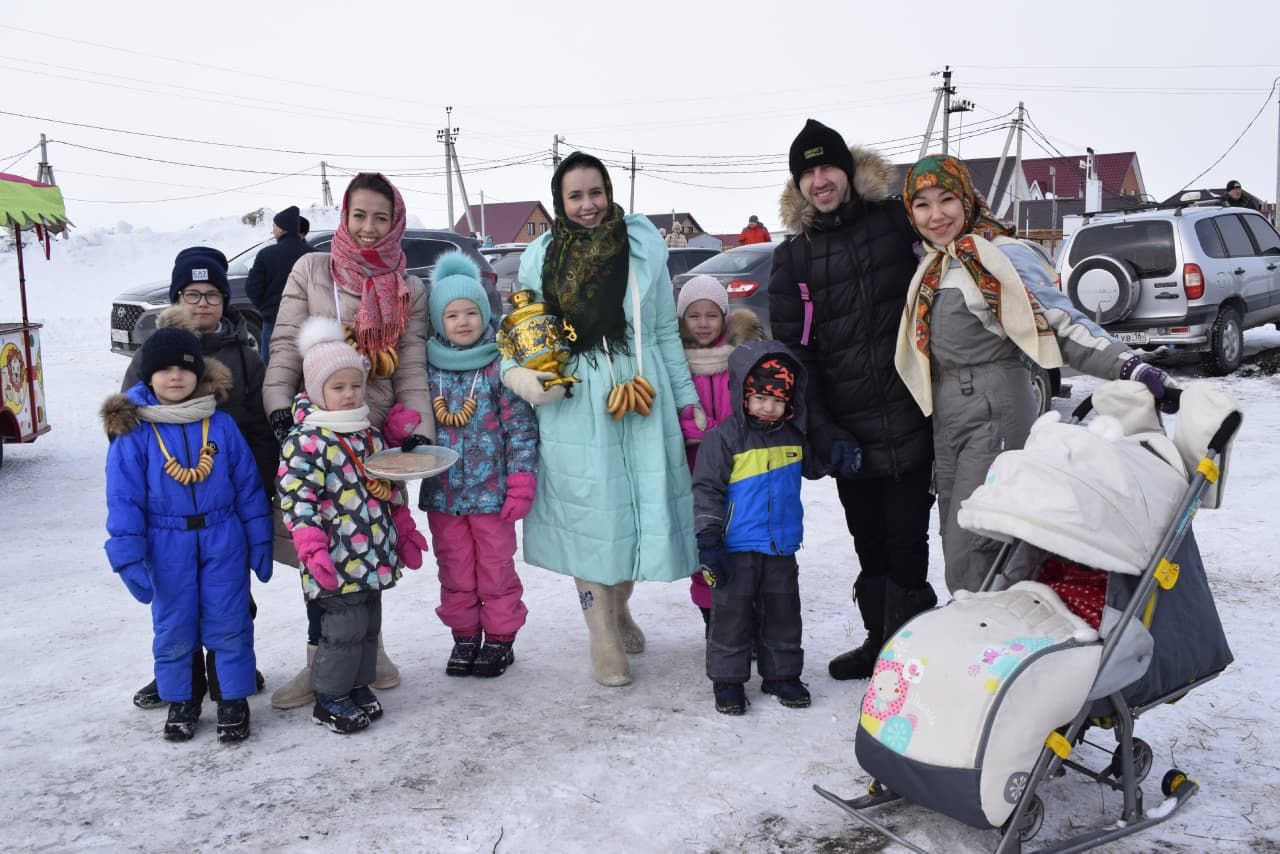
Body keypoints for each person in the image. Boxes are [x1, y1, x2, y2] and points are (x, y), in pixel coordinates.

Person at [896, 154, 1177, 594]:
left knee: (981, 546)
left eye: (947, 199)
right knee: (958, 542)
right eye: (923, 204)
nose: (937, 215)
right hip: (949, 414)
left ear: (968, 198)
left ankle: (998, 644)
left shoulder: (999, 254)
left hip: (994, 408)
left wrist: (1128, 364)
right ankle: (986, 642)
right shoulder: (935, 264)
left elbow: (1061, 323)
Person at [504, 151, 703, 687]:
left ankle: (620, 608)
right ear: (560, 202)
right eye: (575, 196)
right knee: (592, 516)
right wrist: (525, 375)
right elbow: (526, 332)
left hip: (642, 392)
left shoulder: (642, 248)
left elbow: (662, 329)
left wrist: (687, 399)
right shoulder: (539, 257)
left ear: (609, 193)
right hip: (574, 399)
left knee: (636, 513)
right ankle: (601, 632)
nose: (588, 205)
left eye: (596, 193)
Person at [768, 118, 937, 683]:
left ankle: (912, 654)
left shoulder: (896, 222)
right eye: (808, 172)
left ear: (847, 170)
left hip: (914, 415)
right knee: (870, 547)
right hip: (850, 432)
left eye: (828, 167)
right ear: (799, 185)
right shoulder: (793, 259)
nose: (820, 180)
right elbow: (795, 355)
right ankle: (878, 643)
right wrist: (824, 430)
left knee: (909, 545)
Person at [263, 172, 434, 710]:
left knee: (372, 540)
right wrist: (277, 411)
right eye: (359, 214)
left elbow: (409, 367)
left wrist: (420, 428)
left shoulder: (410, 287)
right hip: (314, 434)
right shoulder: (312, 269)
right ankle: (321, 660)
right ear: (344, 214)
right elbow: (287, 345)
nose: (368, 227)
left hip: (375, 440)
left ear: (395, 221)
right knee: (317, 545)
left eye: (380, 217)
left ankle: (368, 651)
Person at [121, 246, 277, 711]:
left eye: (213, 294)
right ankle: (182, 676)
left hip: (224, 503)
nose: (203, 303)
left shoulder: (244, 355)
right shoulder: (154, 350)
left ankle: (229, 670)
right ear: (177, 297)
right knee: (175, 599)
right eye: (192, 293)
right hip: (169, 509)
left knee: (229, 595)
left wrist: (260, 485)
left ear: (225, 300)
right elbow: (128, 423)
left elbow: (259, 426)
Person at [102, 327, 274, 742]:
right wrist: (127, 554)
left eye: (184, 368)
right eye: (164, 369)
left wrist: (259, 537)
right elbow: (123, 498)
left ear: (200, 373)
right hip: (166, 544)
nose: (175, 376)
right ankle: (182, 697)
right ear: (148, 375)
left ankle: (232, 697)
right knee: (174, 624)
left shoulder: (221, 424)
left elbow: (247, 485)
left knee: (229, 618)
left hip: (223, 539)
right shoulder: (134, 432)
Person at [277, 318, 427, 733]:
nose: (348, 395)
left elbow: (389, 487)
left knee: (367, 627)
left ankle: (357, 685)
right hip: (334, 556)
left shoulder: (368, 435)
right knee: (341, 630)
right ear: (316, 391)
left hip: (372, 555)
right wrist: (310, 547)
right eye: (337, 388)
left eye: (355, 386)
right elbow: (297, 497)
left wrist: (404, 529)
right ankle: (329, 696)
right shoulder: (306, 440)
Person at [418, 253, 537, 678]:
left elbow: (520, 429)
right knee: (453, 567)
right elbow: (414, 417)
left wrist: (521, 482)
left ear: (485, 314)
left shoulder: (496, 366)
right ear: (438, 320)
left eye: (471, 312)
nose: (463, 321)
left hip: (492, 495)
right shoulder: (428, 368)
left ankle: (501, 638)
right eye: (452, 315)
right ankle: (465, 635)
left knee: (495, 566)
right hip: (444, 494)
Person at [694, 343, 810, 715]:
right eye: (759, 397)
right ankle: (728, 680)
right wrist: (709, 537)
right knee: (732, 614)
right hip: (737, 545)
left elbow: (817, 464)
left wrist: (837, 451)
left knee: (784, 611)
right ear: (743, 393)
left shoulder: (793, 435)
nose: (767, 407)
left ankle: (782, 673)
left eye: (777, 400)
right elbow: (707, 488)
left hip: (780, 546)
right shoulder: (724, 437)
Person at [677, 274, 764, 629]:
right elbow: (676, 416)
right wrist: (695, 429)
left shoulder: (741, 359)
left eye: (711, 315)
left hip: (741, 472)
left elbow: (748, 414)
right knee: (705, 548)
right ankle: (714, 619)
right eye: (693, 315)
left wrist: (708, 430)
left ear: (725, 317)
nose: (702, 323)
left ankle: (750, 617)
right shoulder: (677, 364)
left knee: (744, 547)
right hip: (697, 476)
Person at [247, 206, 315, 362]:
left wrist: (266, 308)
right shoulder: (313, 254)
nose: (273, 230)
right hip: (308, 324)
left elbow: (252, 288)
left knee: (274, 368)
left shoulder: (266, 254)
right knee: (307, 369)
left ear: (281, 228)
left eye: (274, 226)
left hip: (274, 322)